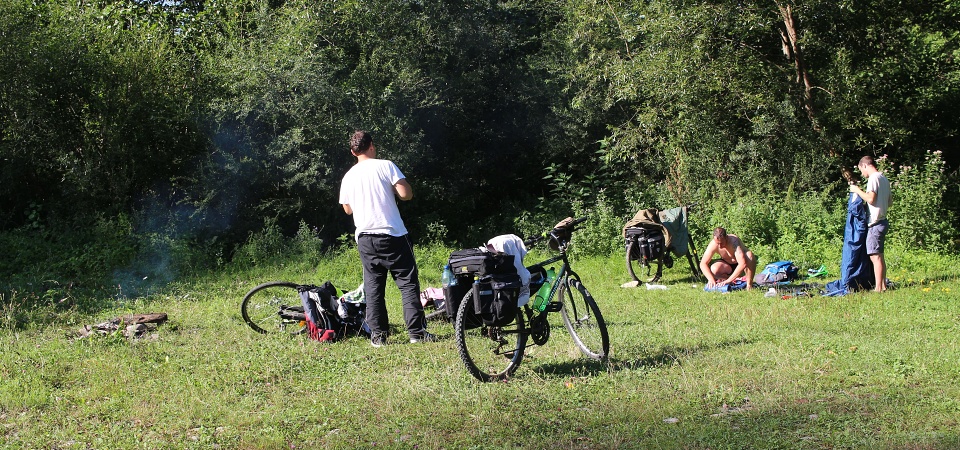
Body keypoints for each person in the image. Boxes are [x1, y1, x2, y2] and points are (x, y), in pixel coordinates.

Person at [339, 130, 434, 347]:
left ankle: (379, 336)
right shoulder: (385, 165)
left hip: (365, 237)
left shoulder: (348, 176)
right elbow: (405, 194)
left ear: (353, 151)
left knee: (373, 286)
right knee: (408, 283)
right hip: (392, 234)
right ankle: (416, 334)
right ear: (371, 145)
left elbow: (347, 209)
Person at [848, 155, 892, 292]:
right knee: (879, 255)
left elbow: (870, 199)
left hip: (876, 223)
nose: (862, 173)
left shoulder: (873, 178)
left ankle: (879, 288)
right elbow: (890, 202)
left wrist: (856, 190)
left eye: (861, 170)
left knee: (875, 256)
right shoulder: (883, 178)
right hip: (883, 221)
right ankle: (883, 285)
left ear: (865, 165)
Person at [699, 227, 758, 291]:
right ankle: (725, 282)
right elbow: (703, 263)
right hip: (727, 266)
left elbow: (742, 264)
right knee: (714, 268)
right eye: (717, 243)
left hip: (742, 266)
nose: (720, 246)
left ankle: (749, 285)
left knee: (750, 256)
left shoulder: (734, 242)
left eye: (721, 243)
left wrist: (729, 280)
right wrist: (710, 279)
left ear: (726, 238)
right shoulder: (713, 244)